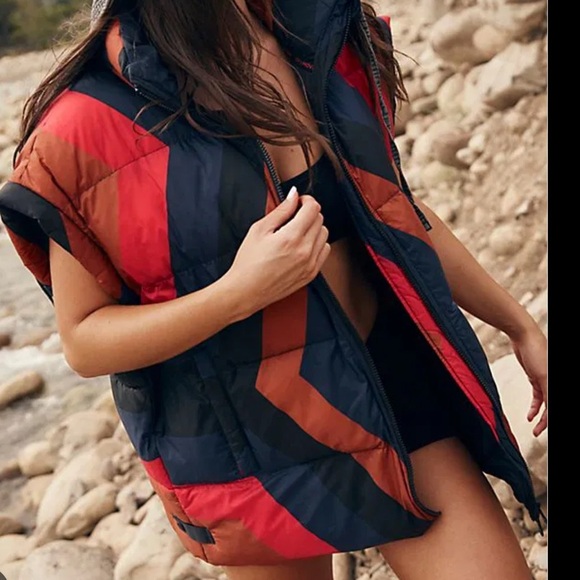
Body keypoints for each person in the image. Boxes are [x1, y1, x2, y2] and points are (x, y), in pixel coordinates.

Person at [0, 1, 547, 578]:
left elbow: (392, 211)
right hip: (255, 434)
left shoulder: (316, 33)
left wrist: (520, 326)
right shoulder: (85, 124)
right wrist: (235, 294)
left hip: (388, 386)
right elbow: (84, 340)